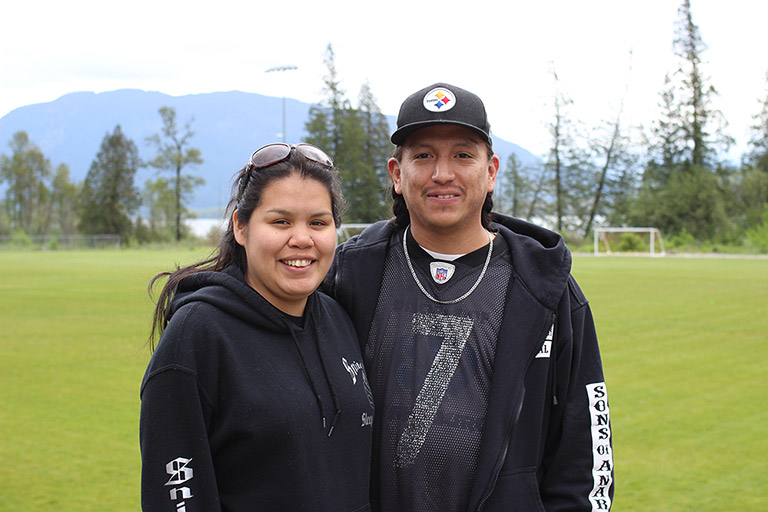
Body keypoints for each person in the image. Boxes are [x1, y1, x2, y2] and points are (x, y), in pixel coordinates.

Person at [324, 83, 613, 511]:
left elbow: (585, 446)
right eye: (423, 155)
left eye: (463, 154)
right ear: (397, 174)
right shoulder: (348, 277)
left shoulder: (547, 291)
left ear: (491, 171)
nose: (443, 173)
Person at [139, 143, 375, 511]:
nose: (302, 238)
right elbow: (175, 492)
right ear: (241, 227)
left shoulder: (338, 318)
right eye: (281, 221)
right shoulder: (199, 334)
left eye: (318, 222)